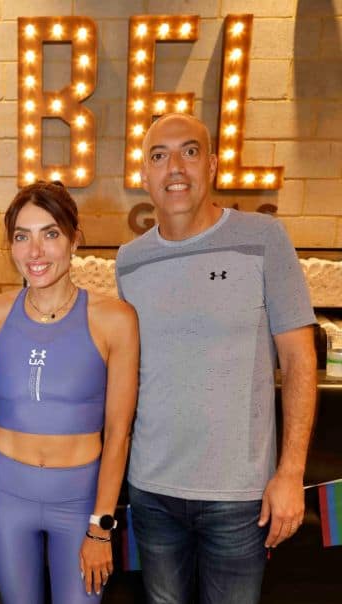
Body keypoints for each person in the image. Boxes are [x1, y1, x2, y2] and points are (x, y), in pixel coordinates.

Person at [116, 113, 317, 604]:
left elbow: (299, 360)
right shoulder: (129, 260)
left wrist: (291, 473)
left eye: (189, 151)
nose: (175, 167)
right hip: (152, 491)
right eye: (159, 156)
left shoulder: (264, 237)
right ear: (144, 174)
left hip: (239, 498)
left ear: (211, 164)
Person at [0, 181, 139, 603]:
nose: (35, 251)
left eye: (50, 234)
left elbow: (119, 433)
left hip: (79, 501)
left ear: (74, 239)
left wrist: (101, 527)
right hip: (5, 497)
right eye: (22, 237)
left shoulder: (114, 319)